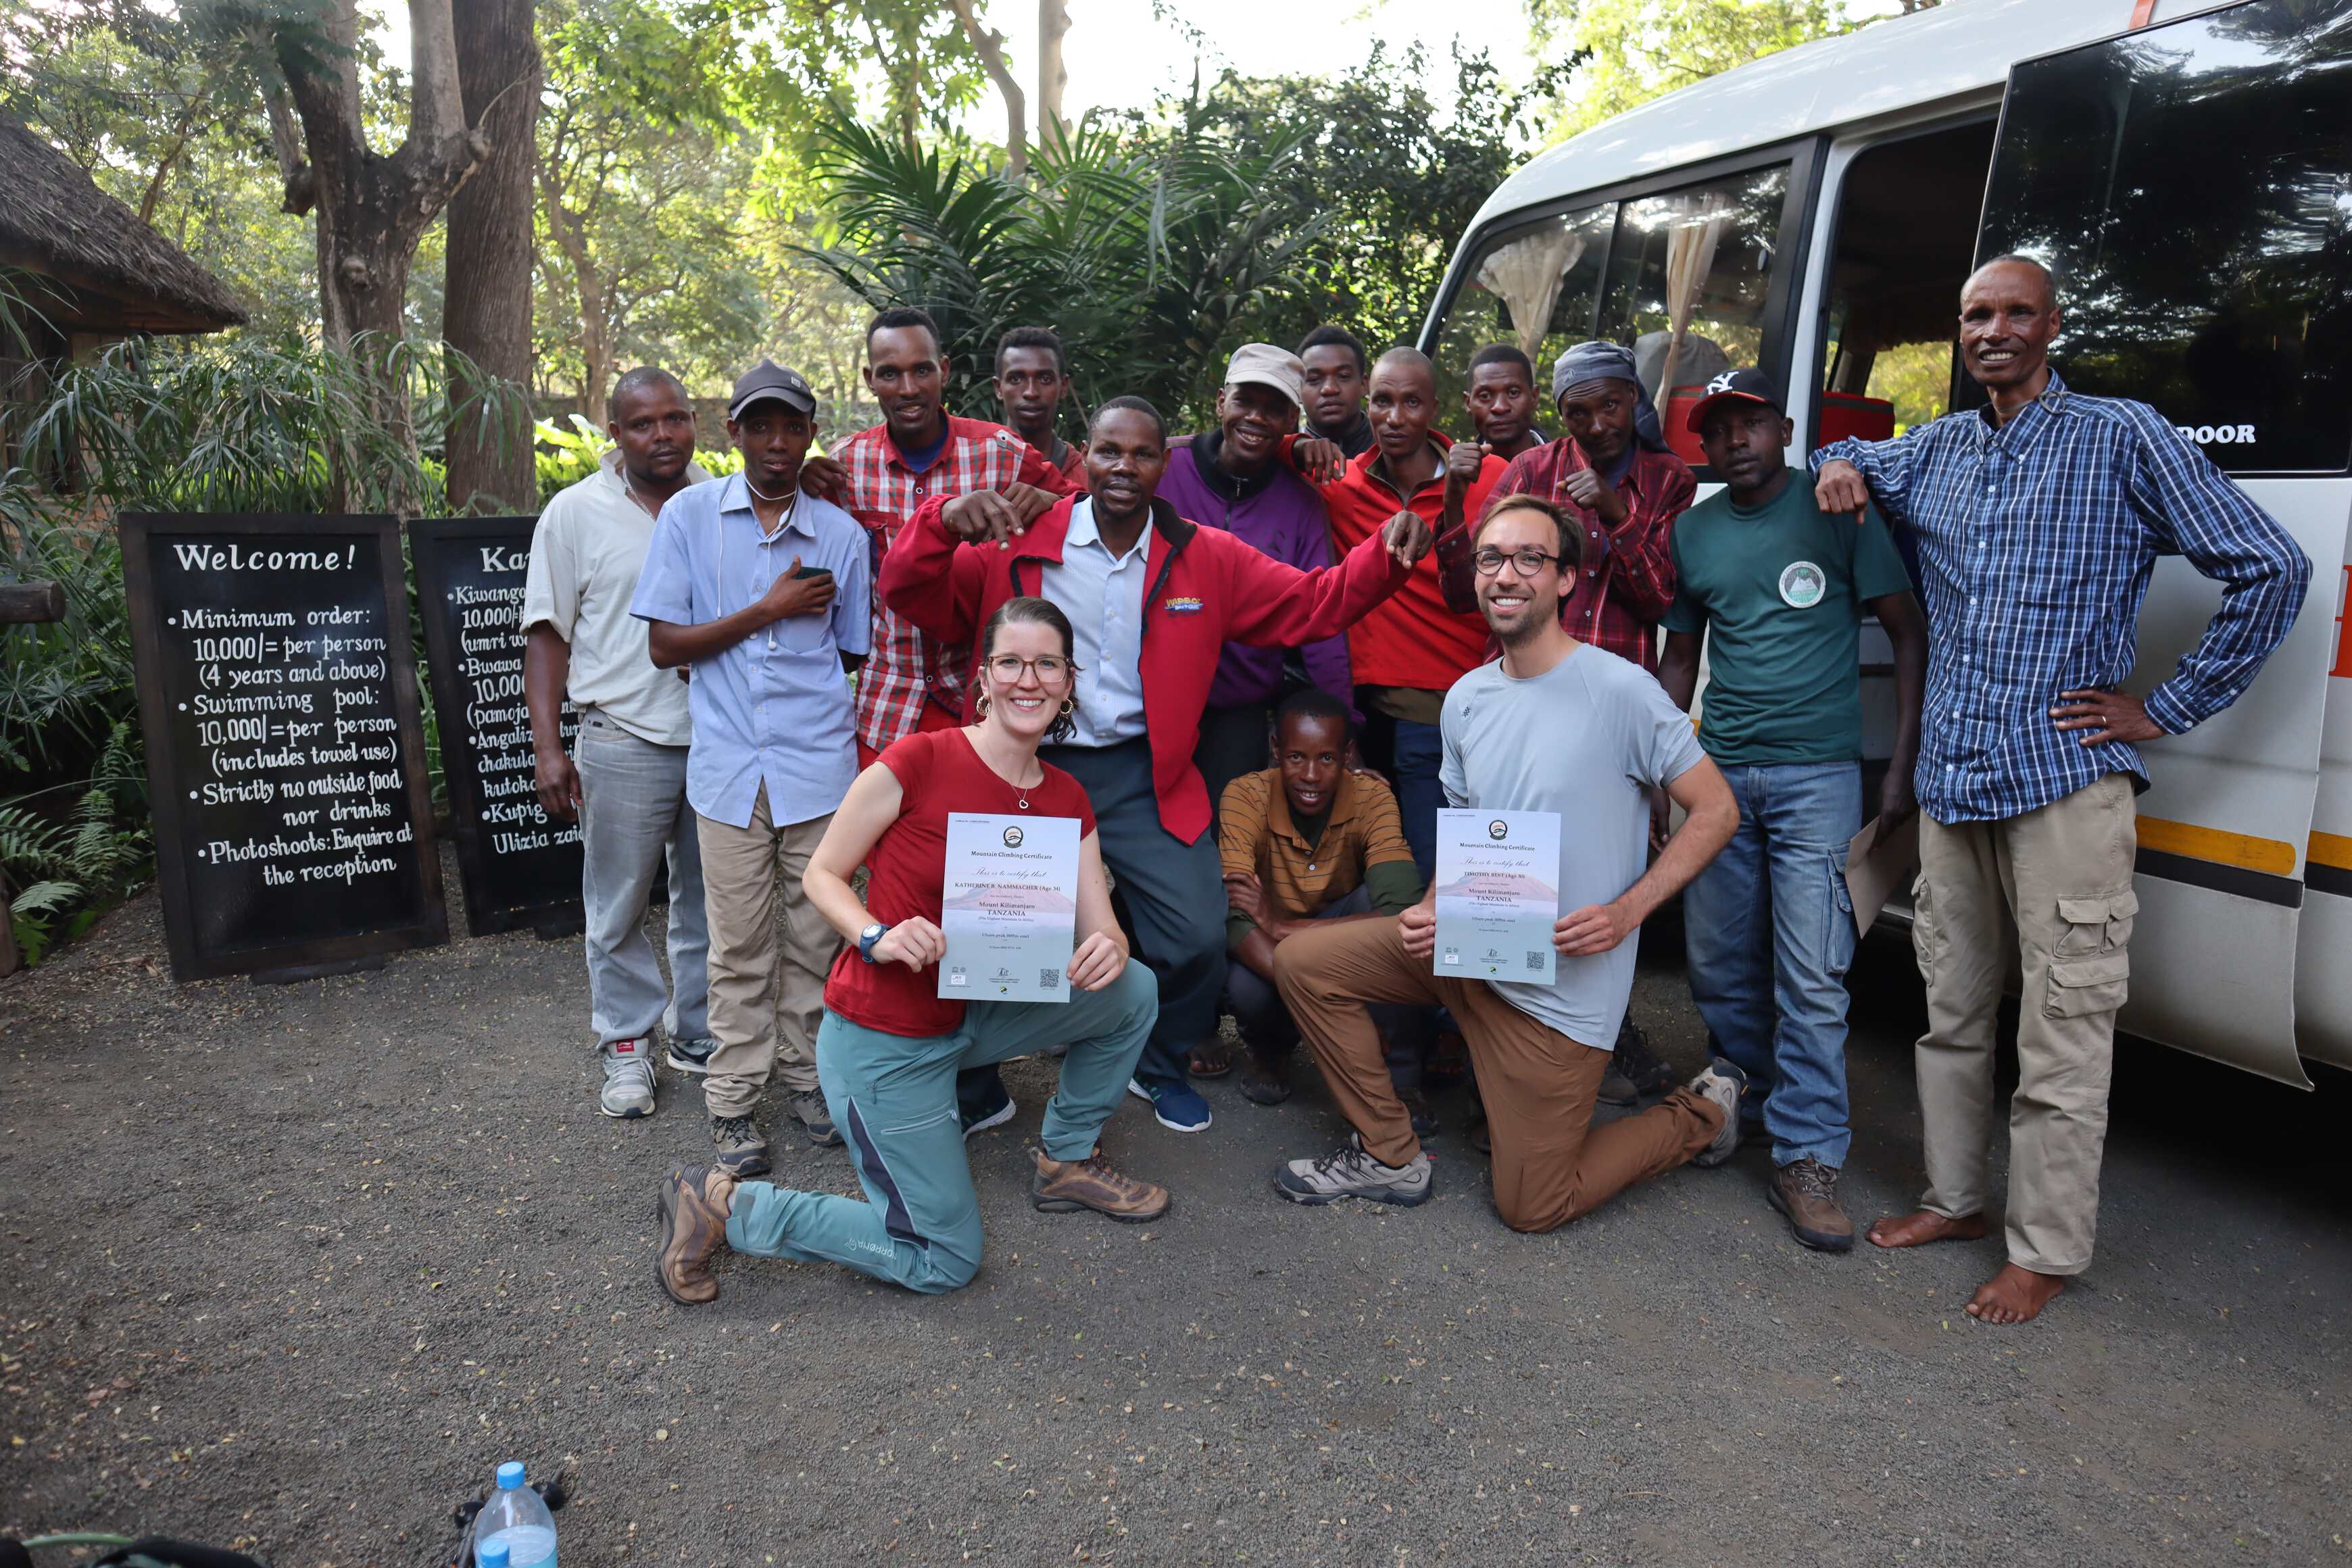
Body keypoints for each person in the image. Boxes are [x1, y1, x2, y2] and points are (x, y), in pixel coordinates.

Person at [1813, 255, 2311, 1323]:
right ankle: (1953, 1199)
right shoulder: (1935, 450)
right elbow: (1842, 450)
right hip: (1954, 777)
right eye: (1975, 315)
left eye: (2015, 313)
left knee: (2065, 1023)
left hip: (2066, 780)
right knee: (1949, 1009)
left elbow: (2273, 567)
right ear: (1960, 333)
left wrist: (2165, 707)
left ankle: (2043, 1248)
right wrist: (1842, 464)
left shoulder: (2121, 435)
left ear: (2050, 326)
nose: (1993, 330)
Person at [880, 395, 1431, 1137]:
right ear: (1087, 453)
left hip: (1145, 772)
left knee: (1196, 932)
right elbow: (908, 591)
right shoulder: (1021, 539)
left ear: (1163, 465)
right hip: (1030, 767)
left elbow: (1313, 602)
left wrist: (1388, 551)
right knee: (991, 926)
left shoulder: (1204, 553)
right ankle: (979, 1081)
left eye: (1143, 454)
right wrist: (941, 520)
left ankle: (1159, 1062)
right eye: (1110, 451)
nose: (1125, 467)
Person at [652, 596, 1172, 1304]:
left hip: (978, 1011)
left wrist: (1107, 946)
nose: (1030, 679)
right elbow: (821, 873)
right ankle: (727, 1206)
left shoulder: (1067, 797)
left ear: (1068, 681)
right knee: (943, 1256)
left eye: (1047, 664)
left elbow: (1101, 924)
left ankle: (1069, 1158)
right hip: (887, 1038)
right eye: (1012, 662)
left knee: (1132, 987)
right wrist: (876, 933)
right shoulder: (920, 759)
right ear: (984, 679)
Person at [1267, 493, 1746, 1225]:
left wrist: (1628, 911)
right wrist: (1431, 906)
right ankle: (1389, 1153)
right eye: (1492, 558)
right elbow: (1470, 835)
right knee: (1303, 963)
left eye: (1531, 558)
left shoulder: (1619, 690)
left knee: (1533, 1206)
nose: (1507, 575)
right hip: (1471, 953)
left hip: (1558, 1001)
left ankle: (1700, 1112)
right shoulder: (1466, 700)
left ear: (1565, 580)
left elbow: (1717, 810)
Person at [1657, 369, 1928, 1253]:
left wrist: (1900, 769)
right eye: (1719, 430)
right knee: (1720, 963)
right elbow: (1681, 661)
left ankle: (1808, 1158)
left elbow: (1906, 628)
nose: (1736, 441)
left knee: (1812, 975)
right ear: (1704, 445)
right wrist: (1667, 773)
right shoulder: (1692, 533)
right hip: (1721, 776)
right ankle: (1752, 1100)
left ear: (1783, 428)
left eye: (1751, 424)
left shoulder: (1838, 510)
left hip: (1819, 778)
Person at [629, 360, 873, 1177]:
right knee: (737, 945)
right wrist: (766, 611)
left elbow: (848, 651)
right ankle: (733, 1099)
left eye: (792, 427)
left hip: (818, 769)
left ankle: (805, 1078)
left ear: (810, 435)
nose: (776, 442)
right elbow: (665, 645)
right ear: (731, 430)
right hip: (729, 768)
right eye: (759, 426)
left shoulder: (840, 535)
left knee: (814, 934)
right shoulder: (692, 519)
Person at [1486, 339, 1700, 1104]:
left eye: (1611, 405)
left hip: (1616, 707)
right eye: (1579, 411)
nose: (1598, 424)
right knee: (1518, 871)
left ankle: (1604, 1032)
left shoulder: (1668, 479)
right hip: (1527, 699)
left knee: (1607, 877)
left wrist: (1614, 516)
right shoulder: (1531, 474)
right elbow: (1494, 578)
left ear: (1633, 399)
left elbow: (1661, 597)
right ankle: (1512, 1059)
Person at [524, 366, 715, 1118]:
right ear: (615, 434)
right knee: (618, 904)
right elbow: (547, 636)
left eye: (674, 418)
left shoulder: (720, 503)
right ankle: (628, 1044)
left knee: (710, 902)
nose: (662, 435)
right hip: (621, 734)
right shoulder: (575, 513)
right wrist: (549, 748)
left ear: (694, 421)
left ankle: (698, 1034)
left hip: (718, 738)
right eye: (643, 424)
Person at [834, 308, 1078, 770]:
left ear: (943, 370)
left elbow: (1083, 511)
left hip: (980, 706)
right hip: (886, 707)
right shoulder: (848, 465)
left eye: (921, 370)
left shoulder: (998, 452)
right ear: (869, 378)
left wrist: (1047, 501)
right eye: (890, 373)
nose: (908, 389)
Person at [1313, 346, 1508, 883]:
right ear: (1366, 405)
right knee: (1397, 874)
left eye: (1411, 403)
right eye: (1383, 402)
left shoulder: (1491, 478)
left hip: (1468, 701)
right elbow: (1245, 444)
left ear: (1436, 409)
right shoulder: (1339, 484)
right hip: (1375, 710)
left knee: (1462, 870)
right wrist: (1297, 444)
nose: (1395, 418)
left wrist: (1452, 506)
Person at [1153, 343, 1353, 845]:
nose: (1256, 418)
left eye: (1274, 408)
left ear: (1293, 420)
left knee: (1225, 839)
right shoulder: (1163, 470)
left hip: (1235, 709)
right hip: (1149, 696)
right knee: (1147, 836)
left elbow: (1319, 611)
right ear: (1221, 402)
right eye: (1245, 401)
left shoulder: (1301, 501)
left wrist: (1346, 727)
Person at [1221, 688, 1424, 1109]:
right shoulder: (1244, 795)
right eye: (1297, 757)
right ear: (1276, 750)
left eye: (1326, 758)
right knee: (1244, 985)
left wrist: (1284, 927)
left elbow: (1400, 913)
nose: (1311, 775)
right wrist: (1330, 1000)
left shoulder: (1372, 796)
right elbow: (1238, 918)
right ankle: (1271, 1050)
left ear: (1348, 754)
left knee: (1406, 934)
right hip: (1274, 948)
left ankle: (1400, 1077)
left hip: (1322, 934)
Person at [992, 325, 1085, 485]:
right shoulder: (975, 467)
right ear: (998, 388)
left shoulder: (1086, 476)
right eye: (1016, 379)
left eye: (1045, 379)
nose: (1031, 392)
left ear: (1063, 387)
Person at [1298, 324, 1374, 458]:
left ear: (1364, 384)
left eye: (1343, 376)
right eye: (1314, 379)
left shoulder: (1392, 452)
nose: (1329, 389)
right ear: (1298, 389)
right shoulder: (1282, 458)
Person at [1463, 344, 1548, 461]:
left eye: (1513, 393)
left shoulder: (1570, 467)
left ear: (1534, 396)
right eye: (1485, 396)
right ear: (1468, 403)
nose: (1500, 407)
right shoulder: (1453, 473)